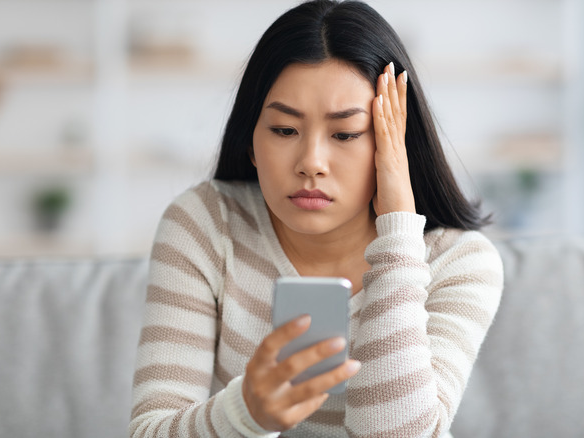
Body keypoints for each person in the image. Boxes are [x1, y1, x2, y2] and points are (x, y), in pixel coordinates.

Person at [129, 1, 504, 437]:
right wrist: (245, 413)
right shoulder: (207, 224)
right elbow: (148, 431)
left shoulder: (459, 263)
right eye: (284, 130)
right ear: (250, 140)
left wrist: (399, 232)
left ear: (393, 144)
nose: (311, 162)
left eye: (345, 134)